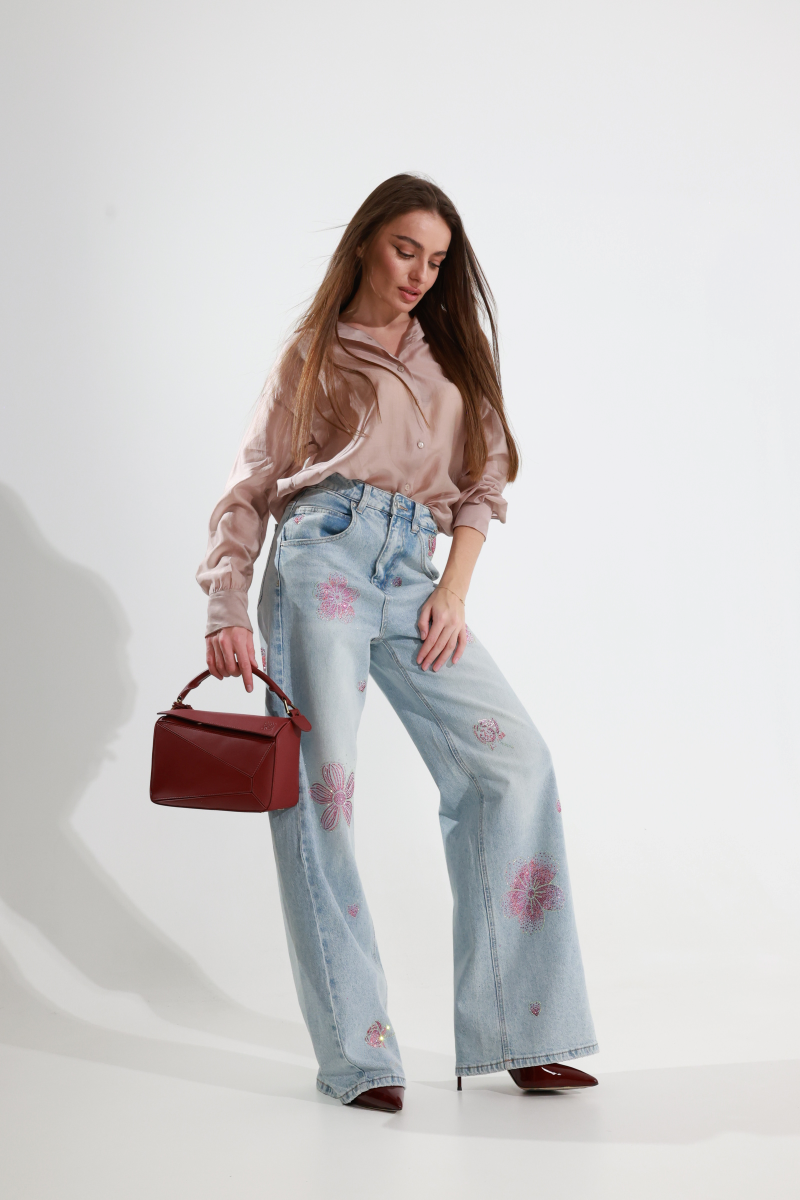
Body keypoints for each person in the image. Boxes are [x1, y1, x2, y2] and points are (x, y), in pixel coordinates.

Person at [197, 174, 598, 1112]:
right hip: (321, 560)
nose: (420, 273)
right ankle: (359, 1053)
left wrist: (453, 591)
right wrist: (226, 605)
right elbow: (248, 486)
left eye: (438, 259)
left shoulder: (451, 359)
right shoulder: (312, 354)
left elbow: (483, 485)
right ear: (367, 245)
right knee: (323, 798)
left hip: (415, 573)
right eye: (405, 249)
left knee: (516, 766)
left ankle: (522, 1028)